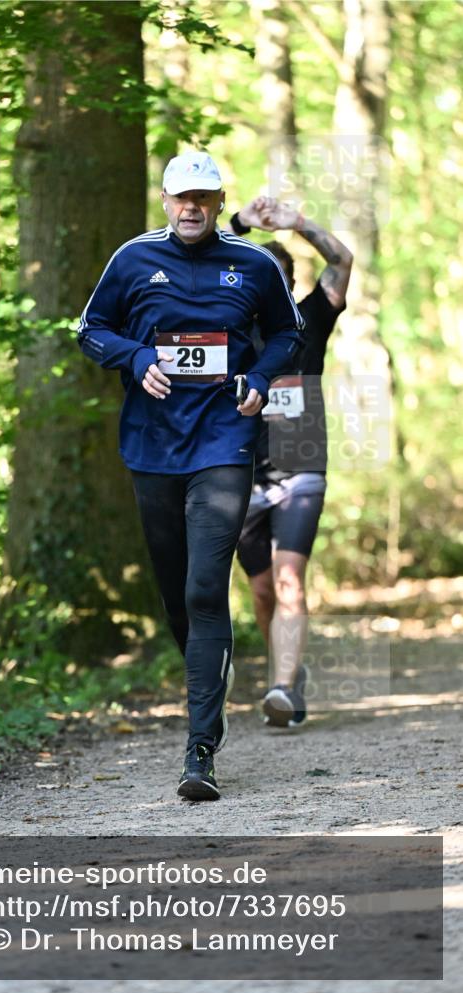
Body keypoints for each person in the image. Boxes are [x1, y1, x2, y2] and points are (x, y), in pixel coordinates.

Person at [78, 153, 304, 801]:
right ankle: (211, 671)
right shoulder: (131, 259)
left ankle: (199, 750)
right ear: (165, 197)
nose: (191, 208)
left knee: (207, 587)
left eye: (203, 198)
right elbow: (89, 330)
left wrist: (259, 378)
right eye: (181, 197)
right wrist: (135, 354)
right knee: (178, 596)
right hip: (151, 446)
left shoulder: (254, 264)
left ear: (217, 199)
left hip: (223, 440)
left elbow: (288, 334)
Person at [229, 196, 353, 728]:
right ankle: (289, 667)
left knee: (288, 581)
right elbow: (185, 258)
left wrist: (297, 223)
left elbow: (342, 260)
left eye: (280, 277)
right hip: (241, 475)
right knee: (261, 591)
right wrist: (239, 224)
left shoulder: (311, 320)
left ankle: (282, 687)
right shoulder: (231, 334)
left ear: (290, 282)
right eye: (263, 278)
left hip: (302, 469)